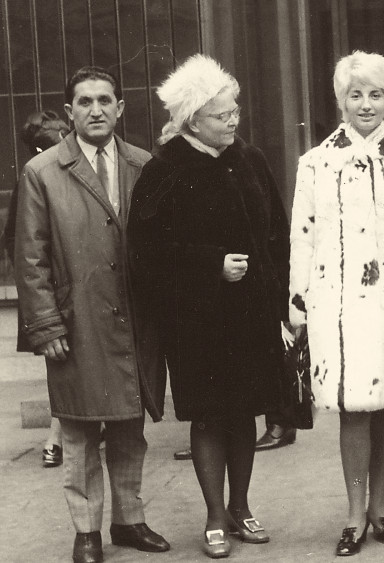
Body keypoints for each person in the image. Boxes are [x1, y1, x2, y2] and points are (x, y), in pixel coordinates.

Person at [127, 54, 289, 559]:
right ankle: (215, 514)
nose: (234, 120)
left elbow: (277, 235)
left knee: (244, 412)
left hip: (252, 314)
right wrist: (211, 264)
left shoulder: (250, 159)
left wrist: (283, 302)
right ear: (192, 120)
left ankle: (241, 507)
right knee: (208, 416)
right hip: (195, 320)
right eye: (222, 114)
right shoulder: (164, 169)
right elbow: (145, 252)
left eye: (235, 109)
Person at [14, 66, 168, 563]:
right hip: (76, 323)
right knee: (80, 432)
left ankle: (129, 520)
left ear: (120, 108)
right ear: (69, 112)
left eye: (105, 100)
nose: (96, 110)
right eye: (85, 102)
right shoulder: (42, 172)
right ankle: (87, 532)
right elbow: (30, 258)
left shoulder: (144, 164)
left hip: (135, 323)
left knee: (129, 429)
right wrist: (45, 325)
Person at [287, 51, 384, 557]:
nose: (366, 104)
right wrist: (299, 307)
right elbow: (302, 238)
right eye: (355, 95)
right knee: (351, 407)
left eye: (376, 94)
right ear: (340, 101)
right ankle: (353, 511)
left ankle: (380, 505)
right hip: (336, 305)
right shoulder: (316, 162)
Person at [2, 110, 70, 468]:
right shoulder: (32, 180)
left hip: (80, 288)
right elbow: (17, 242)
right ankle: (56, 438)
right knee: (61, 365)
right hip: (51, 293)